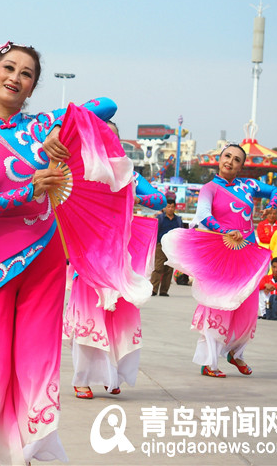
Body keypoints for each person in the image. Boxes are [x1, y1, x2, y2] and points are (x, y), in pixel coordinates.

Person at [0, 42, 119, 466]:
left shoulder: (44, 124)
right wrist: (28, 190)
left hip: (45, 259)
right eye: (8, 68)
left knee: (35, 360)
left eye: (26, 74)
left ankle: (22, 452)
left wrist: (63, 128)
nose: (15, 77)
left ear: (33, 87)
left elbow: (106, 105)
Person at [64, 121, 165, 400]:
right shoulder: (81, 170)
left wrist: (135, 196)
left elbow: (159, 199)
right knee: (90, 316)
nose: (105, 140)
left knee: (121, 316)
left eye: (111, 135)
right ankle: (82, 379)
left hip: (122, 254)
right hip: (90, 251)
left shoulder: (130, 174)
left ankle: (114, 375)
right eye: (99, 135)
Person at [163, 143, 277, 378]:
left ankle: (236, 352)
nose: (230, 161)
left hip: (248, 251)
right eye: (227, 156)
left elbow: (275, 191)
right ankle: (209, 362)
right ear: (220, 159)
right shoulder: (210, 188)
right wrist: (226, 230)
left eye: (237, 159)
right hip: (224, 251)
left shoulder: (249, 185)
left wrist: (271, 206)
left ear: (241, 166)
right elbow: (203, 216)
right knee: (219, 305)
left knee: (247, 306)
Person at [152, 197, 184, 296]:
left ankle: (164, 291)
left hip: (173, 247)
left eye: (172, 207)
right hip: (160, 245)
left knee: (169, 269)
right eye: (168, 207)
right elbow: (155, 231)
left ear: (175, 208)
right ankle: (153, 289)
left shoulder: (178, 220)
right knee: (158, 267)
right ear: (165, 208)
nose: (170, 209)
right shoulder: (160, 218)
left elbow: (181, 233)